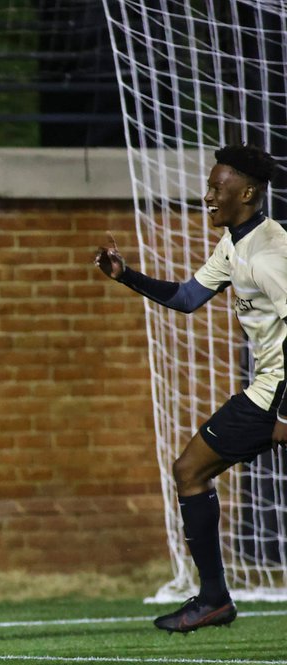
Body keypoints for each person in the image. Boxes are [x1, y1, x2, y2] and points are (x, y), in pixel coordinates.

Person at [95, 144, 287, 634]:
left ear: (246, 193)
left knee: (189, 469)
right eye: (207, 187)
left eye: (216, 189)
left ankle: (214, 599)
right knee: (191, 470)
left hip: (276, 391)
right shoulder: (237, 243)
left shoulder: (270, 257)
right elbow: (186, 297)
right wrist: (125, 276)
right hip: (270, 388)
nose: (207, 197)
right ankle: (214, 598)